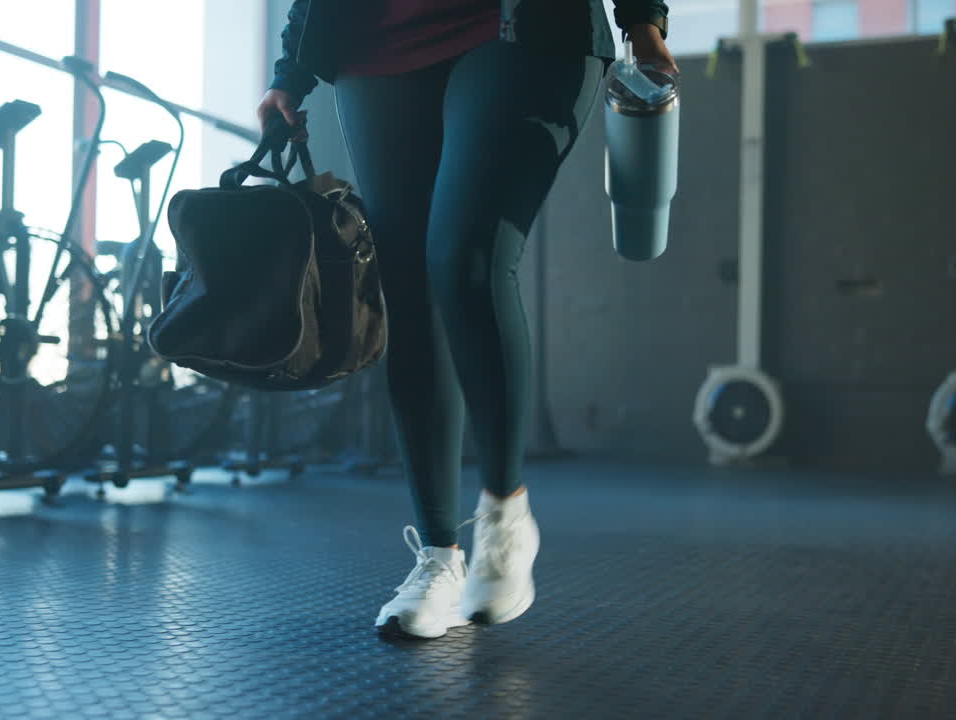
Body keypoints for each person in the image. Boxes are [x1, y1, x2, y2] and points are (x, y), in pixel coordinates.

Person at [257, 0, 677, 639]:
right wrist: (289, 72)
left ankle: (506, 520)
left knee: (465, 260)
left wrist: (643, 21)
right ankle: (437, 559)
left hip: (524, 29)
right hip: (379, 42)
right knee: (408, 286)